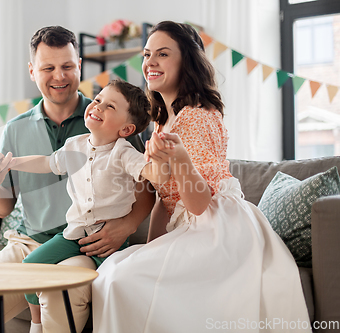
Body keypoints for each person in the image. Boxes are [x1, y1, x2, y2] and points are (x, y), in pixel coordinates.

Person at [0, 26, 155, 333]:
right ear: (33, 71)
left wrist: (125, 227)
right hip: (28, 241)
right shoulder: (16, 129)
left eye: (67, 67)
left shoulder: (113, 118)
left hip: (86, 245)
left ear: (79, 66)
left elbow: (147, 188)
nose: (59, 76)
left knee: (60, 294)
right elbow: (2, 208)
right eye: (48, 68)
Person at [92, 21, 311, 333]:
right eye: (147, 53)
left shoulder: (198, 117)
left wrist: (181, 160)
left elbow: (199, 204)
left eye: (163, 54)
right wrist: (149, 249)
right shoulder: (162, 122)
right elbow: (163, 201)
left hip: (218, 230)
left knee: (121, 280)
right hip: (187, 226)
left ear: (186, 62)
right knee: (113, 272)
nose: (150, 62)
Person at [0, 80, 170, 333]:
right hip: (73, 235)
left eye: (109, 106)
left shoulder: (123, 152)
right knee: (29, 268)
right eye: (98, 100)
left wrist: (162, 160)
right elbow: (46, 163)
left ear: (126, 128)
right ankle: (36, 323)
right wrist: (9, 162)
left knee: (114, 290)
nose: (97, 106)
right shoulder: (75, 145)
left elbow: (151, 175)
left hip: (108, 241)